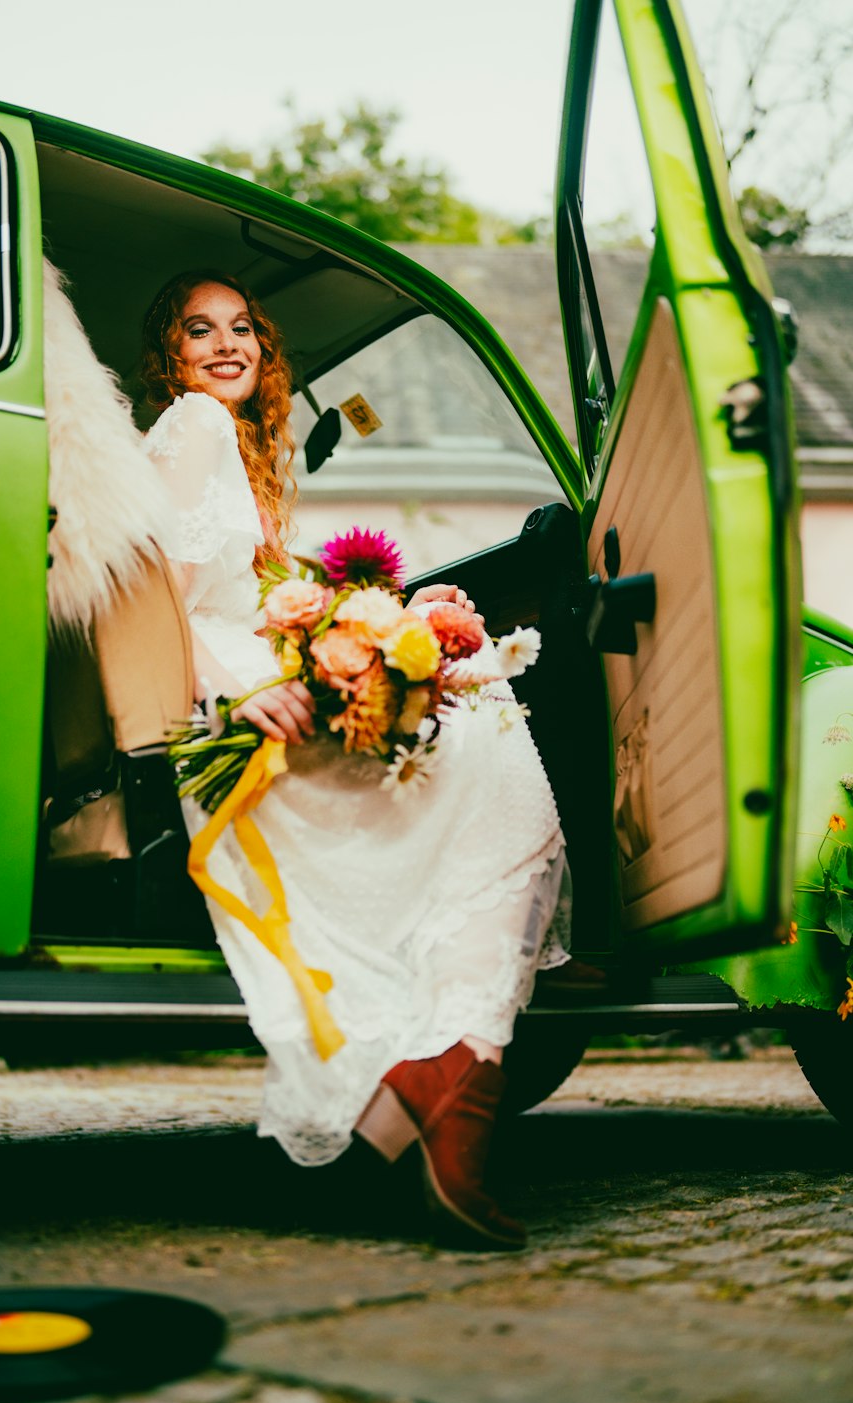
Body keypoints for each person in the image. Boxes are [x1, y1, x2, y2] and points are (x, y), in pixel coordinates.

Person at [139, 271, 571, 1246]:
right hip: (239, 712)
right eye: (197, 329)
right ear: (168, 354)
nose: (225, 344)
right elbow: (152, 590)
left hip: (261, 686)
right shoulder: (192, 426)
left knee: (482, 727)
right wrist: (243, 692)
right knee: (490, 740)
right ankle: (439, 1088)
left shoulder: (241, 449)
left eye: (242, 327)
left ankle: (430, 1090)